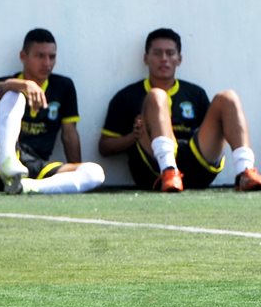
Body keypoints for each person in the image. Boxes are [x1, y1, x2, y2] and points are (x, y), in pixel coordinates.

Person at [99, 27, 261, 192]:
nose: (164, 59)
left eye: (170, 53)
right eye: (157, 53)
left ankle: (245, 171)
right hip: (153, 170)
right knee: (156, 96)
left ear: (179, 59)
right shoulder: (127, 95)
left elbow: (212, 132)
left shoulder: (194, 93)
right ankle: (169, 171)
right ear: (145, 58)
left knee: (228, 97)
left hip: (194, 163)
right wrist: (133, 137)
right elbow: (104, 147)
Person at [0, 28, 105, 195]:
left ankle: (26, 187)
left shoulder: (63, 87)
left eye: (52, 57)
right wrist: (25, 85)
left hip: (34, 165)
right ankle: (9, 164)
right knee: (14, 94)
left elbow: (69, 134)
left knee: (94, 172)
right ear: (23, 56)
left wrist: (75, 171)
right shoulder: (5, 84)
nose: (47, 63)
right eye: (40, 56)